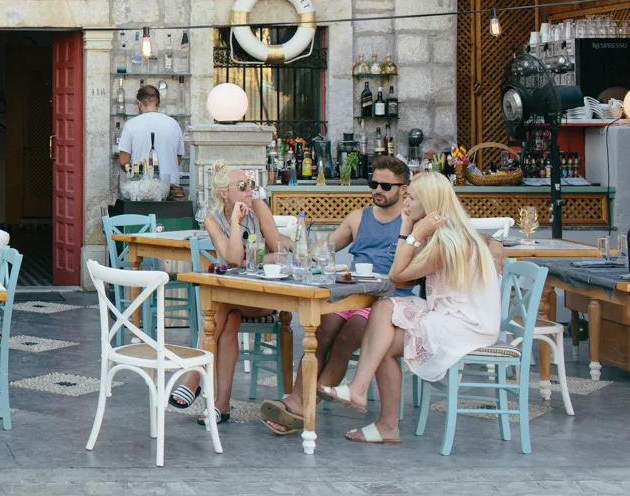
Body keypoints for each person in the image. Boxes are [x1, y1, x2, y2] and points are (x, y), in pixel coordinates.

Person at [320, 170, 505, 445]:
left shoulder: (448, 242)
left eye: (412, 199)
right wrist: (413, 232)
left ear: (430, 204)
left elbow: (397, 274)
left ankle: (378, 415)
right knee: (383, 311)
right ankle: (369, 403)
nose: (405, 204)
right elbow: (401, 274)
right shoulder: (444, 234)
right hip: (446, 314)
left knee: (381, 342)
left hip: (466, 325)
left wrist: (411, 232)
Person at [259, 154, 414, 436]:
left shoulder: (412, 221)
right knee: (319, 334)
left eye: (386, 186)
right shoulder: (358, 218)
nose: (377, 190)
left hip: (387, 303)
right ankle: (297, 401)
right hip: (352, 293)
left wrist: (494, 244)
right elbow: (323, 250)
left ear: (404, 189)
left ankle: (301, 407)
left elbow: (462, 234)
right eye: (373, 183)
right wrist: (296, 244)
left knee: (345, 341)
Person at [169, 161, 288, 423]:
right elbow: (234, 258)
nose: (250, 191)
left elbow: (277, 250)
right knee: (228, 317)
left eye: (251, 185)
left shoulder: (258, 207)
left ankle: (194, 374)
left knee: (219, 307)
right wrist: (235, 223)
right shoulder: (213, 220)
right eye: (243, 186)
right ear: (224, 193)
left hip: (265, 296)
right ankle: (221, 405)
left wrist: (261, 258)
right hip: (235, 298)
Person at [115, 84, 184, 187]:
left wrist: (133, 174)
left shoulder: (131, 125)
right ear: (159, 104)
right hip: (170, 188)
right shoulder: (174, 124)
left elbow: (123, 161)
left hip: (141, 187)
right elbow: (177, 160)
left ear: (139, 104)